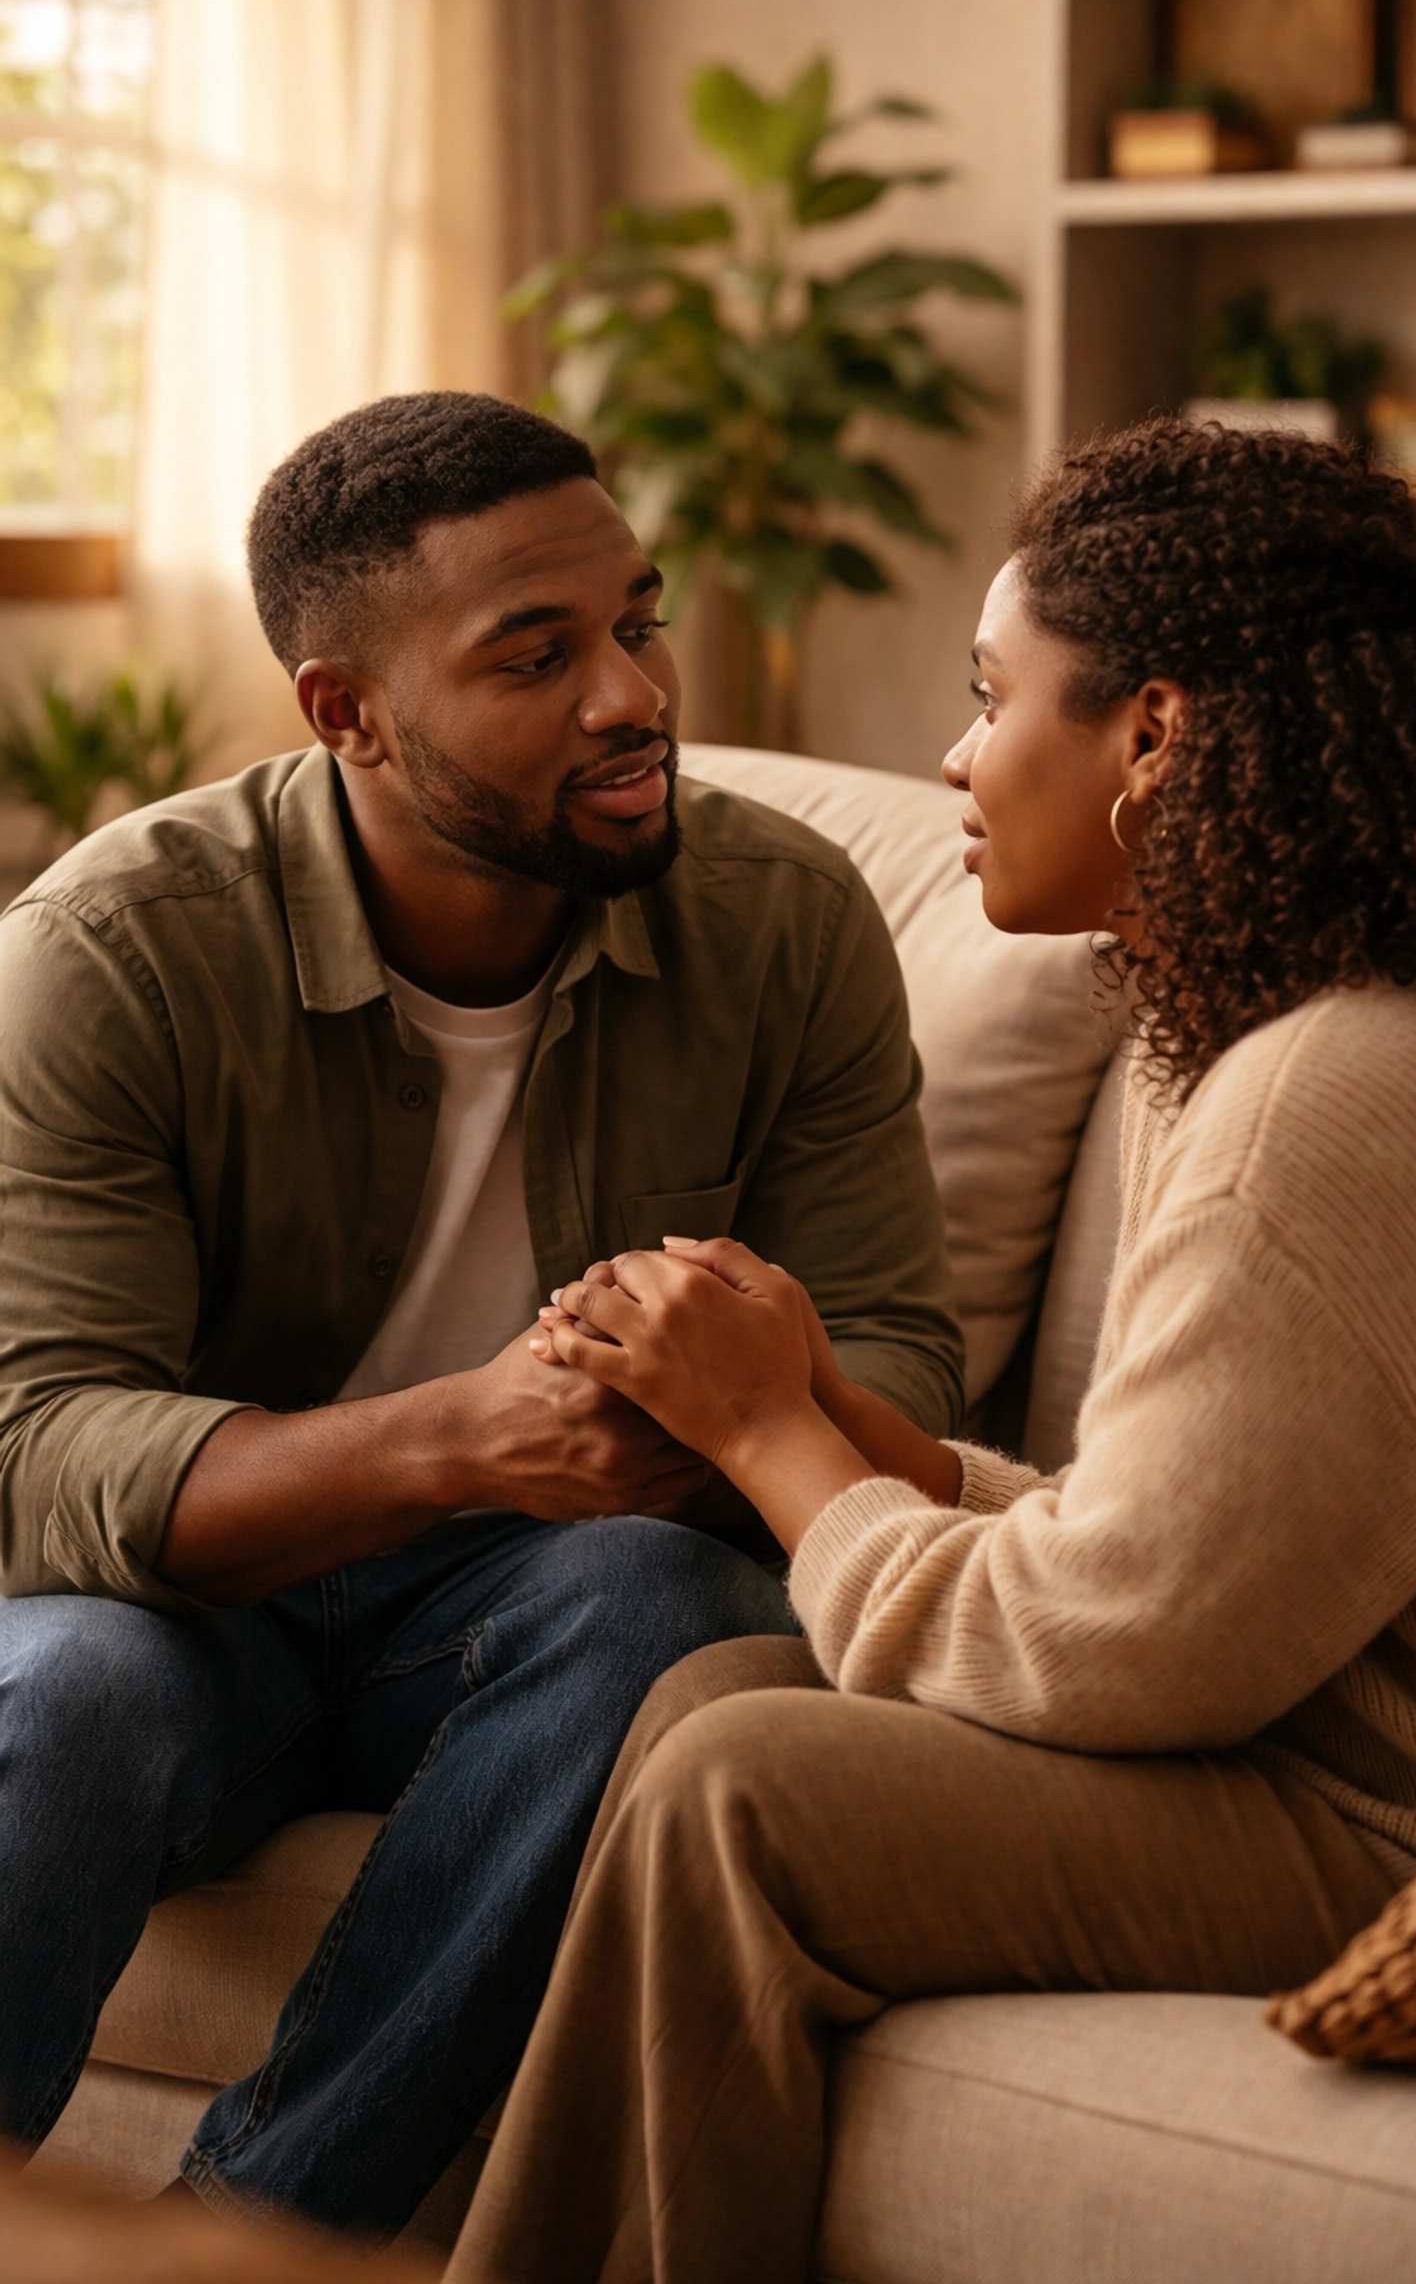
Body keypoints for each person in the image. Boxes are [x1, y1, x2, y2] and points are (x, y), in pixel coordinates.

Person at [444, 419, 1416, 2284]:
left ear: (1155, 736)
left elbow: (1110, 1648)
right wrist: (846, 1419)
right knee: (714, 1698)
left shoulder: (1327, 1101)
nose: (954, 757)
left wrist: (772, 1439)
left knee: (741, 1791)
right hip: (1329, 1747)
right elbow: (1188, 1544)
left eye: (988, 695)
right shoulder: (1292, 1031)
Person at [0, 392, 965, 2239]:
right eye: (539, 657)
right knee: (69, 1691)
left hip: (535, 1609)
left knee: (667, 1603)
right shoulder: (111, 950)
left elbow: (906, 1369)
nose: (635, 697)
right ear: (346, 712)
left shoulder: (785, 922)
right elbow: (35, 1454)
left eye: (638, 622)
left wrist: (730, 1405)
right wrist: (461, 1437)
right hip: (186, 1610)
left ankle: (249, 2249)